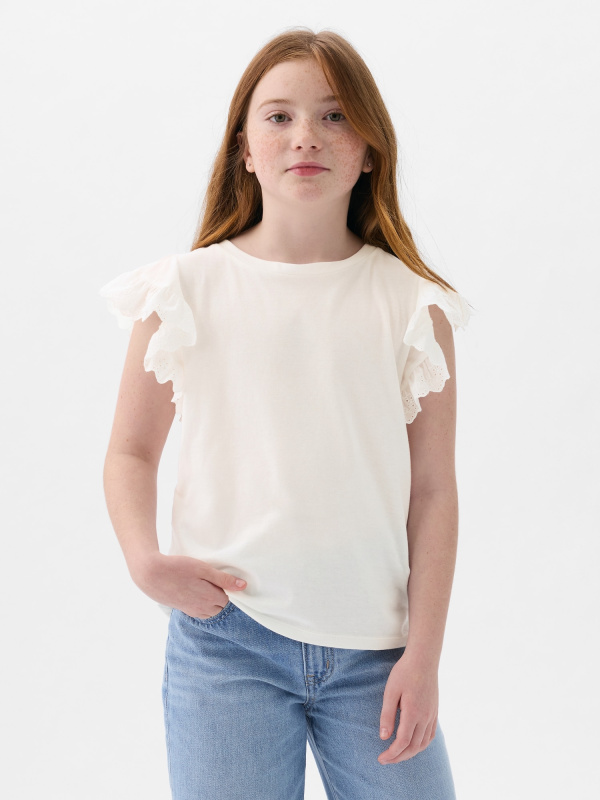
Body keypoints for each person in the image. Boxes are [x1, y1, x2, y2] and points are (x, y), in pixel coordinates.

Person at [99, 26, 472, 800]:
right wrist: (143, 559)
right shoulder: (183, 291)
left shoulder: (412, 306)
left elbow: (434, 489)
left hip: (379, 652)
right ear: (244, 148)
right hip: (226, 643)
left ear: (369, 150)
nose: (306, 136)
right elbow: (131, 451)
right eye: (279, 116)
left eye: (335, 116)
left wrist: (425, 655)